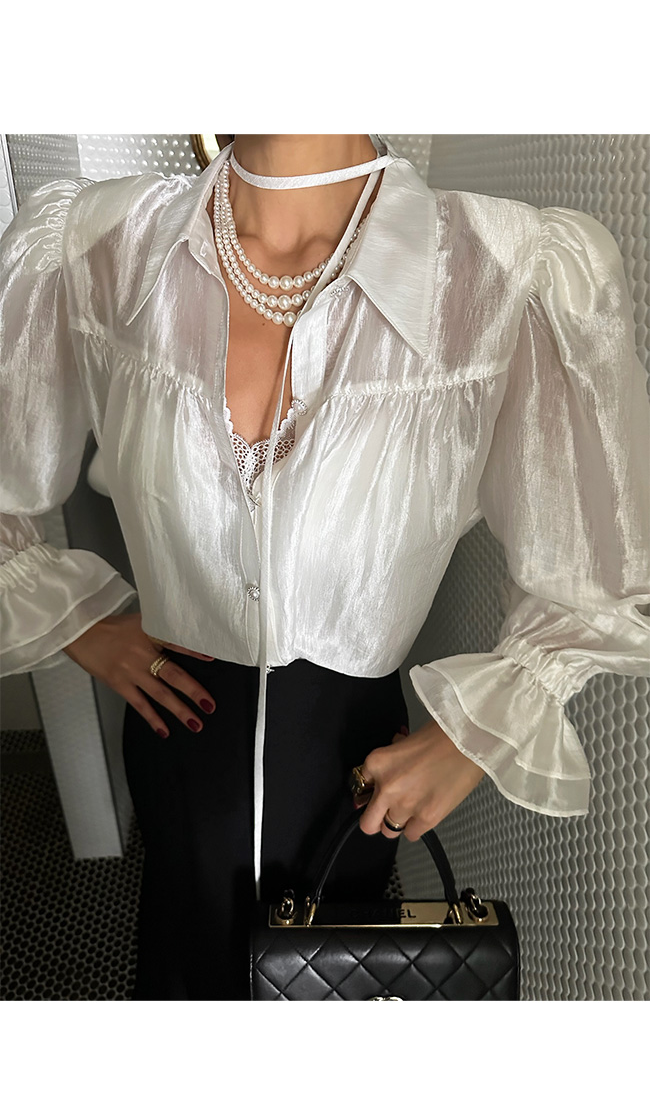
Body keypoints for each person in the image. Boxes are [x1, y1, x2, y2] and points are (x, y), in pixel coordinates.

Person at [1, 134, 649, 1001]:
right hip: (180, 727)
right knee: (187, 962)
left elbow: (600, 562)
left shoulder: (503, 271)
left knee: (332, 983)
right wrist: (80, 622)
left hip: (352, 755)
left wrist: (477, 731)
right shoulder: (98, 248)